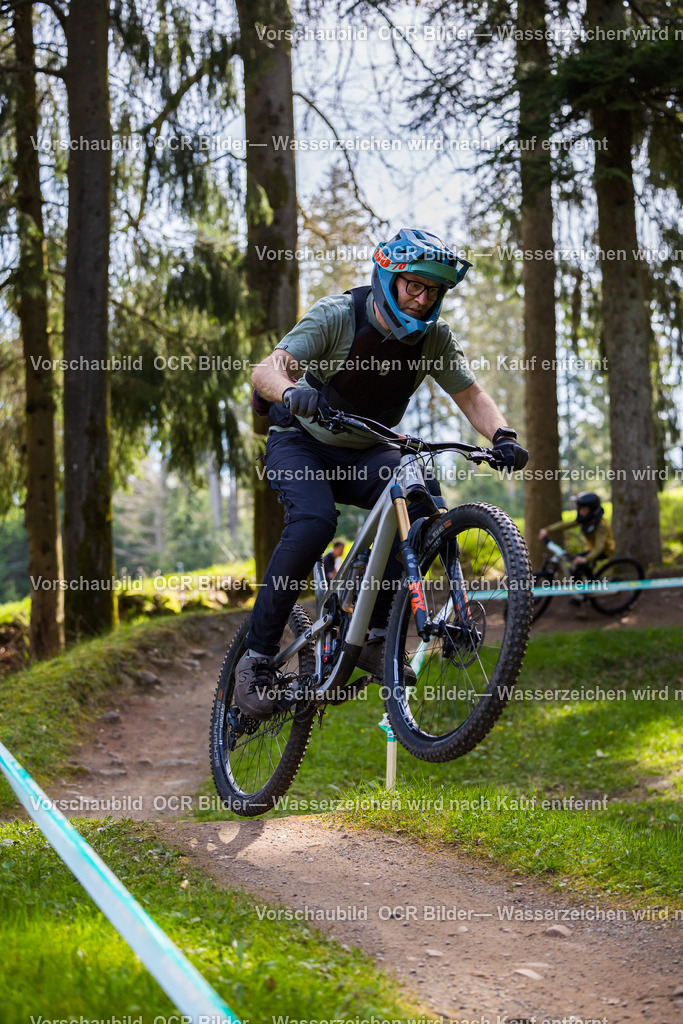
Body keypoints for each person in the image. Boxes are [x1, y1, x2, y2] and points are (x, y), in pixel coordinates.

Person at [237, 227, 529, 717]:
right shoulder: (338, 315)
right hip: (301, 443)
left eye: (432, 290)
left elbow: (472, 396)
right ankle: (257, 659)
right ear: (388, 277)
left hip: (364, 450)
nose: (421, 298)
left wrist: (502, 435)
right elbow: (266, 370)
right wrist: (290, 392)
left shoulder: (434, 338)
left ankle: (373, 636)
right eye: (413, 285)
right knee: (313, 523)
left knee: (420, 498)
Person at [538, 492, 615, 570]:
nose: (581, 512)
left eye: (584, 510)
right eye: (580, 509)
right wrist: (547, 530)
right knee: (575, 562)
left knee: (580, 563)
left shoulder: (600, 525)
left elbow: (599, 547)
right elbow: (564, 525)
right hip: (590, 548)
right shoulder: (584, 520)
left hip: (603, 551)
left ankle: (590, 581)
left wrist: (586, 559)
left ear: (592, 510)